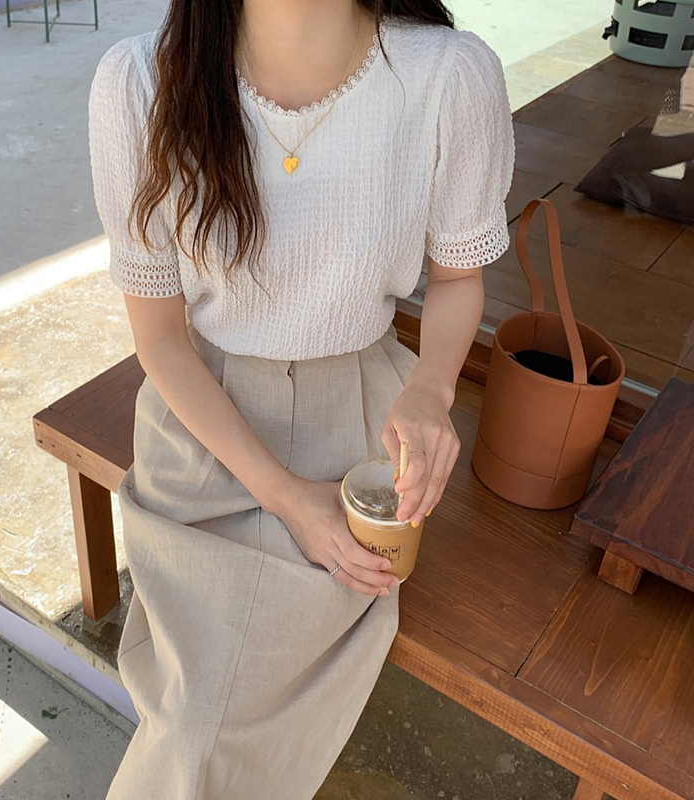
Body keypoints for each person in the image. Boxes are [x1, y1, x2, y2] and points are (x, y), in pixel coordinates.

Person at [87, 1, 514, 797]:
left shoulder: (449, 78)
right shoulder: (140, 83)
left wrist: (431, 387)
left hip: (358, 423)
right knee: (196, 720)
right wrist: (284, 497)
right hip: (205, 429)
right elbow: (162, 341)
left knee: (205, 718)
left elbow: (459, 277)